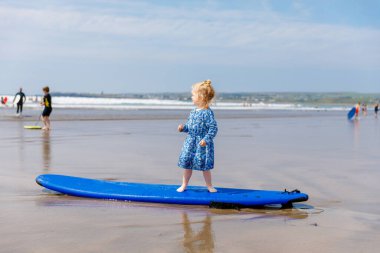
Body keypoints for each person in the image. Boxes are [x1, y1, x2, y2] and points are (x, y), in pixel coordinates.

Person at [177, 80, 218, 193]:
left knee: (205, 166)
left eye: (193, 95)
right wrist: (183, 128)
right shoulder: (193, 111)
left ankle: (209, 186)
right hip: (191, 142)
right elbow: (191, 127)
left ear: (201, 96)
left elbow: (213, 128)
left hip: (202, 144)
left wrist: (206, 139)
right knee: (187, 164)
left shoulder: (207, 113)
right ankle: (184, 185)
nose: (192, 97)